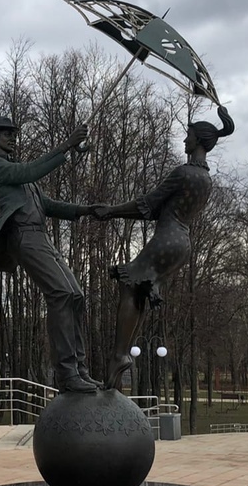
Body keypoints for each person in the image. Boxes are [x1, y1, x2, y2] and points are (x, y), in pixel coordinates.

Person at [94, 105, 234, 388]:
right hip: (182, 244)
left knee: (130, 286)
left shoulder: (184, 173)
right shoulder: (205, 179)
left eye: (188, 135)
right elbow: (159, 210)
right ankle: (122, 354)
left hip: (167, 238)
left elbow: (147, 205)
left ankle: (120, 355)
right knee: (138, 289)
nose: (185, 140)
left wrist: (110, 211)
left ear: (199, 139)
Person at [0, 115, 100, 393]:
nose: (12, 138)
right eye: (7, 133)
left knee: (76, 295)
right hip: (23, 236)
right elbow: (29, 172)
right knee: (61, 293)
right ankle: (66, 373)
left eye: (13, 133)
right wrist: (67, 145)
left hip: (40, 236)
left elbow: (47, 204)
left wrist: (85, 210)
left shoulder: (21, 174)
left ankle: (80, 369)